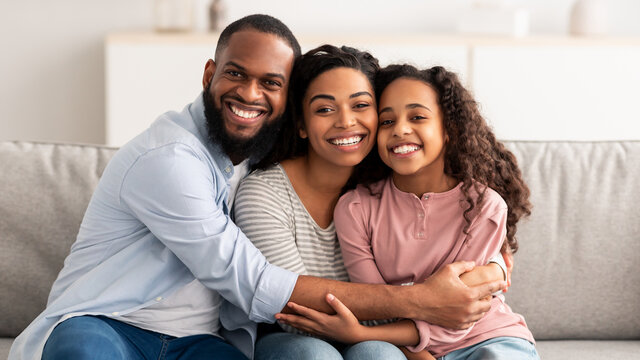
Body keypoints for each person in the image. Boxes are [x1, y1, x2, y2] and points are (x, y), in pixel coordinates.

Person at [9, 15, 505, 360]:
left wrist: (497, 264)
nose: (250, 94)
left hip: (195, 342)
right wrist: (422, 301)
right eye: (235, 75)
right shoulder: (172, 160)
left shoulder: (277, 157)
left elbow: (470, 201)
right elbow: (256, 286)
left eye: (270, 82)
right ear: (210, 74)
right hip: (107, 321)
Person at [234, 46, 509, 360]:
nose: (346, 122)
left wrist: (495, 266)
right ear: (301, 125)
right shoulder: (263, 195)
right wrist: (426, 298)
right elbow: (294, 311)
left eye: (361, 105)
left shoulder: (390, 180)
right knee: (313, 354)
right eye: (324, 110)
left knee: (378, 354)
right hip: (293, 337)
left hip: (384, 338)